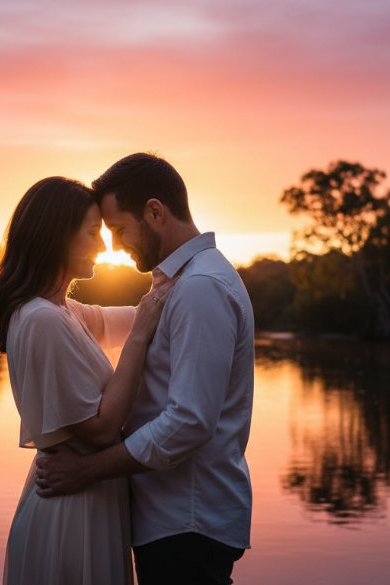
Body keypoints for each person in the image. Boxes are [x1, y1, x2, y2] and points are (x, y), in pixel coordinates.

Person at [35, 153, 255, 585]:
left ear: (154, 212)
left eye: (118, 229)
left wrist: (86, 470)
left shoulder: (199, 289)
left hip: (187, 522)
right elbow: (98, 322)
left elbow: (189, 421)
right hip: (174, 520)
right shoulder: (181, 281)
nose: (115, 245)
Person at [0, 176, 174, 585]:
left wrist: (177, 287)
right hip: (71, 513)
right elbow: (101, 429)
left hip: (87, 500)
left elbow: (127, 318)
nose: (103, 246)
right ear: (57, 238)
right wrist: (141, 334)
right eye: (92, 233)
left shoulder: (62, 311)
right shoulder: (43, 319)